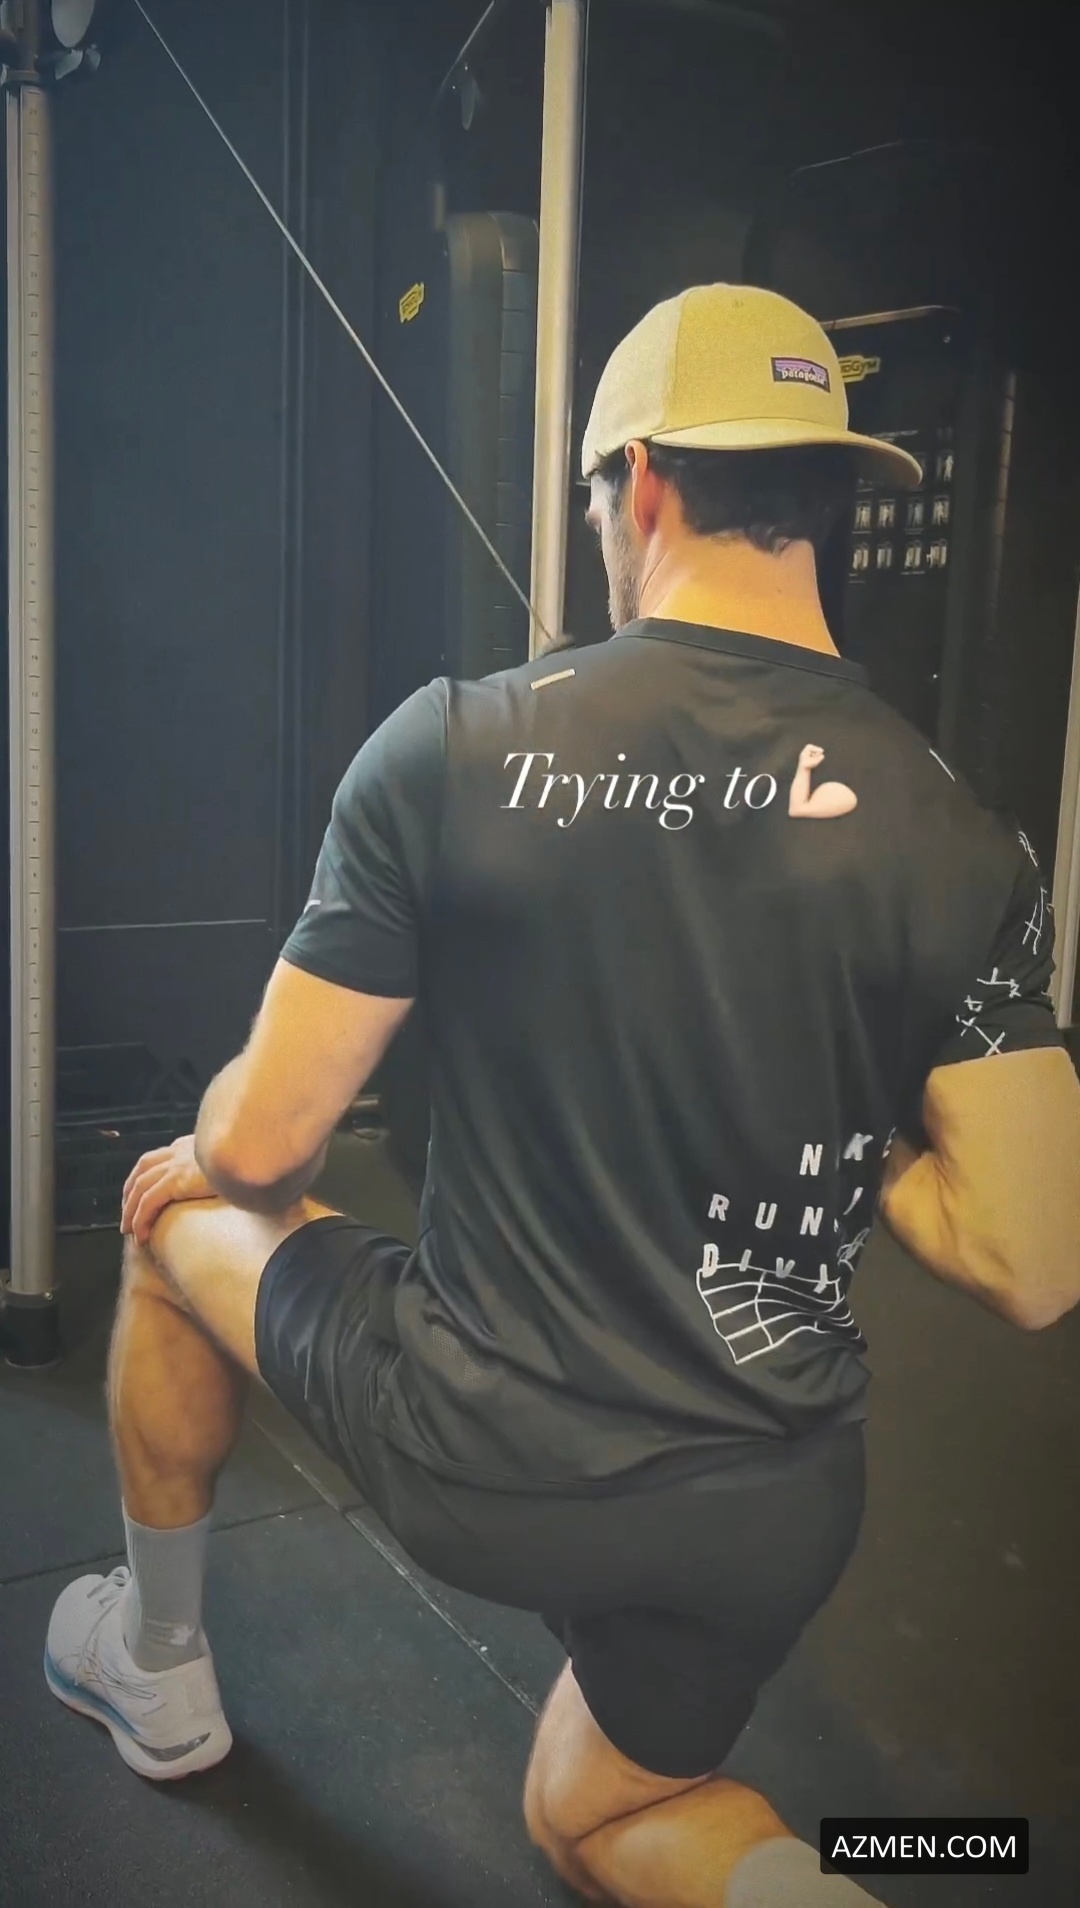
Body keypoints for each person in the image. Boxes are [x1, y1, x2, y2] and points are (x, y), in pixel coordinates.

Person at [44, 284, 1080, 1908]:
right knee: (597, 1814)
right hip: (775, 1507)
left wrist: (205, 1135)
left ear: (639, 484)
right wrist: (851, 1113)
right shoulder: (966, 834)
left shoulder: (453, 747)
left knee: (175, 1218)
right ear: (828, 497)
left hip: (493, 1459)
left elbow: (261, 1147)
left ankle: (155, 1662)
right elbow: (1033, 1260)